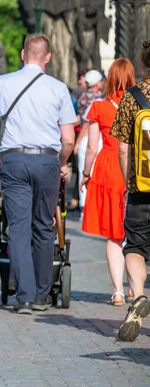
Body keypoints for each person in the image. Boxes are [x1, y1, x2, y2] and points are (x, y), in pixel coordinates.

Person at [0, 34, 76, 314]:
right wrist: (61, 161)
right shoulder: (58, 89)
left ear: (23, 54)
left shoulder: (1, 83)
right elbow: (68, 138)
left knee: (18, 229)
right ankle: (43, 295)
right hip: (46, 160)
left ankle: (24, 296)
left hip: (13, 159)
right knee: (44, 227)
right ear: (47, 57)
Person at [80, 58, 134, 306]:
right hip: (137, 168)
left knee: (114, 235)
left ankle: (118, 291)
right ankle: (136, 288)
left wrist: (86, 173)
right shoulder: (140, 104)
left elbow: (91, 147)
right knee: (134, 233)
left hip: (109, 169)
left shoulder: (99, 107)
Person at [110, 42, 150, 342]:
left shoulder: (131, 97)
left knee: (135, 246)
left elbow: (123, 148)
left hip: (142, 186)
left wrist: (129, 182)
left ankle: (137, 296)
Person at [74, 69, 105, 215]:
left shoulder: (81, 97)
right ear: (98, 83)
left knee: (84, 173)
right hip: (96, 139)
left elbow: (82, 121)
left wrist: (77, 142)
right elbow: (87, 124)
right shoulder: (100, 99)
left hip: (86, 138)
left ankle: (84, 208)